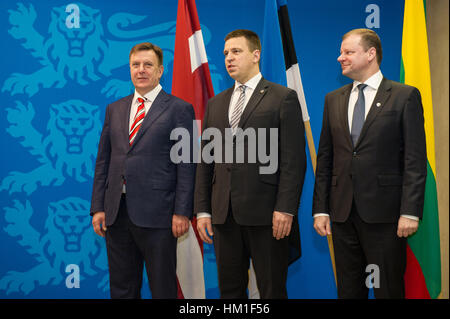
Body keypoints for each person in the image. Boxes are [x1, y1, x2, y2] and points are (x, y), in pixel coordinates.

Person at [313, 29, 427, 298]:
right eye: (342, 52)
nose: (340, 58)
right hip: (342, 214)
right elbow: (326, 158)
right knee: (350, 290)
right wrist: (320, 209)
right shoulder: (333, 99)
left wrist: (410, 212)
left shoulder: (403, 96)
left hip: (385, 215)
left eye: (348, 52)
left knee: (387, 288)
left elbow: (414, 159)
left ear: (371, 53)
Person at [194, 29, 306, 299]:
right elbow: (206, 160)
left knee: (271, 290)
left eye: (236, 51)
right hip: (224, 214)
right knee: (229, 291)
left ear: (256, 55)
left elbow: (294, 160)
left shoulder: (283, 97)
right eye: (225, 54)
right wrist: (202, 210)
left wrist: (286, 209)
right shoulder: (216, 104)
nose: (228, 58)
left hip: (268, 215)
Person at [90, 42, 196, 299]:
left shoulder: (179, 109)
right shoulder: (114, 109)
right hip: (117, 213)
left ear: (160, 71)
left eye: (148, 65)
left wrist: (182, 212)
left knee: (162, 288)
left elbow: (187, 164)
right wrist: (99, 207)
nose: (141, 70)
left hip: (159, 215)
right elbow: (104, 161)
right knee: (122, 288)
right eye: (135, 65)